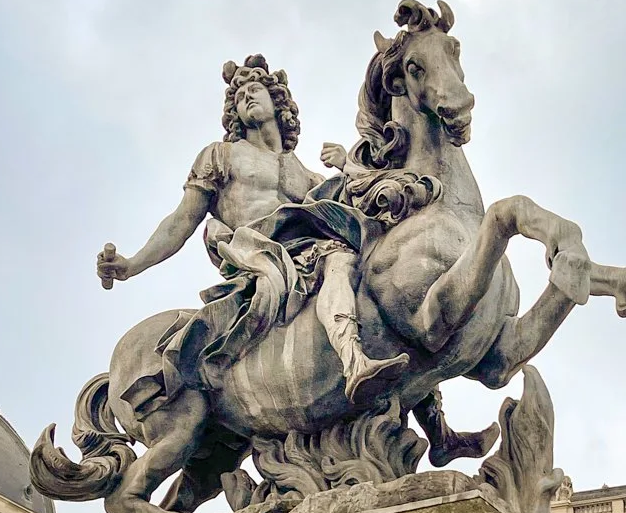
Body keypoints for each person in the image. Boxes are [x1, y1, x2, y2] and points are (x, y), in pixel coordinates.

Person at [96, 55, 405, 407]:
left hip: (306, 248)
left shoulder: (306, 175)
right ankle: (355, 362)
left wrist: (347, 165)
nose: (247, 98)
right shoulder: (222, 155)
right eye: (239, 97)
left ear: (279, 103)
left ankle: (436, 424)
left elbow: (358, 205)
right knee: (339, 259)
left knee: (385, 277)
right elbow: (182, 219)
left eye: (255, 90)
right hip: (256, 253)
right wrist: (132, 264)